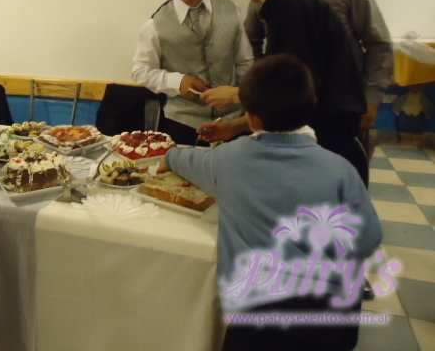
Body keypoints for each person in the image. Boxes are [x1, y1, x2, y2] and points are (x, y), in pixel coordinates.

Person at [159, 53, 383, 351]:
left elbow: (189, 160)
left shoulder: (228, 160)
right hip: (328, 317)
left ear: (251, 118)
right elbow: (368, 240)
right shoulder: (340, 169)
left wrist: (169, 157)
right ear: (313, 103)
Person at [199, 0, 368, 187]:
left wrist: (235, 94)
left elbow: (292, 96)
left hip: (327, 151)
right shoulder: (292, 4)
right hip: (321, 148)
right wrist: (236, 126)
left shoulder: (292, 8)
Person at [244, 0, 394, 154]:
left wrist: (239, 95)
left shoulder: (293, 5)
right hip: (317, 124)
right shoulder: (286, 1)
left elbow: (294, 88)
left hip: (324, 127)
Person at [131, 0, 253, 145]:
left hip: (234, 124)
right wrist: (177, 82)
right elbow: (140, 71)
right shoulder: (155, 24)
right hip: (183, 127)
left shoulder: (231, 10)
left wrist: (248, 104)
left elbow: (245, 63)